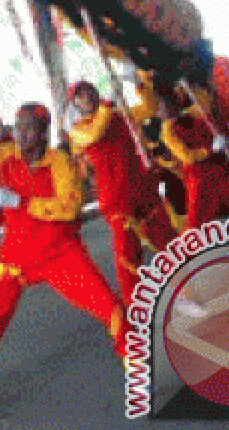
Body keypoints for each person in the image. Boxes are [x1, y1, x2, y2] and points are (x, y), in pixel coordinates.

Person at [0, 103, 127, 408]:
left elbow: (69, 207)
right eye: (18, 128)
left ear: (43, 133)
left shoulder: (60, 162)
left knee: (108, 305)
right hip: (15, 258)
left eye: (28, 129)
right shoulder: (3, 159)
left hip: (60, 253)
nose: (20, 135)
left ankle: (136, 364)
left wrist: (21, 201)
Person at [68, 81, 176, 306]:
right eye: (80, 95)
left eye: (89, 90)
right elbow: (95, 134)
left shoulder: (121, 114)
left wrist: (140, 85)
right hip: (116, 201)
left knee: (169, 241)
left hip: (144, 189)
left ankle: (191, 282)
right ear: (75, 104)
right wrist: (108, 106)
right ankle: (135, 305)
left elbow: (150, 107)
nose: (86, 96)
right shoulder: (79, 130)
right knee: (128, 256)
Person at [157, 88, 229, 230]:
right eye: (163, 106)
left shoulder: (195, 112)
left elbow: (207, 102)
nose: (165, 109)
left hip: (221, 166)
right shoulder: (167, 130)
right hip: (199, 176)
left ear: (177, 102)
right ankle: (187, 248)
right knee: (195, 219)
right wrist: (211, 149)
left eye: (169, 103)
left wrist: (189, 84)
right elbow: (187, 156)